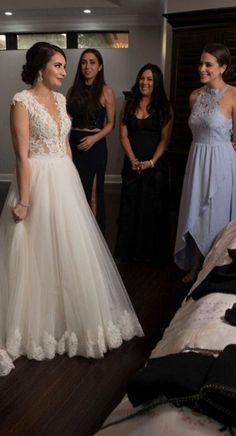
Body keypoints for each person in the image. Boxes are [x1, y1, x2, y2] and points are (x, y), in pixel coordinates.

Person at [0, 42, 143, 376]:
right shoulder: (21, 103)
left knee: (71, 249)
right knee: (37, 252)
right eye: (59, 66)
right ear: (41, 68)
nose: (65, 72)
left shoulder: (61, 99)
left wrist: (73, 184)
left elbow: (64, 143)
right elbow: (21, 156)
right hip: (36, 181)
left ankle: (72, 316)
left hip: (64, 179)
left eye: (65, 66)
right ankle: (39, 321)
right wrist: (24, 199)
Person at [174, 42, 236, 283]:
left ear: (222, 67)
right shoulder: (194, 97)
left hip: (221, 162)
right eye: (200, 63)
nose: (202, 68)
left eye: (208, 64)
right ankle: (196, 266)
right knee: (197, 212)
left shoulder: (233, 95)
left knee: (215, 214)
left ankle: (213, 267)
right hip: (196, 159)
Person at [114, 63, 173, 265]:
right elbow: (123, 134)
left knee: (151, 209)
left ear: (156, 82)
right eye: (142, 78)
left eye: (149, 79)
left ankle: (150, 255)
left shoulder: (164, 107)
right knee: (130, 207)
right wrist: (133, 160)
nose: (144, 82)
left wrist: (150, 162)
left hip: (154, 167)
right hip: (132, 164)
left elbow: (165, 140)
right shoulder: (129, 102)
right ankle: (127, 253)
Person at [67, 48, 115, 234]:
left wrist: (94, 139)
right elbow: (67, 119)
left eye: (92, 62)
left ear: (100, 66)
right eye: (84, 62)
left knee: (93, 195)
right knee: (74, 194)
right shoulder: (73, 90)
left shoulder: (106, 91)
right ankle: (77, 236)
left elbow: (111, 124)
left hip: (95, 147)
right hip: (73, 145)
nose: (87, 66)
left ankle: (95, 238)